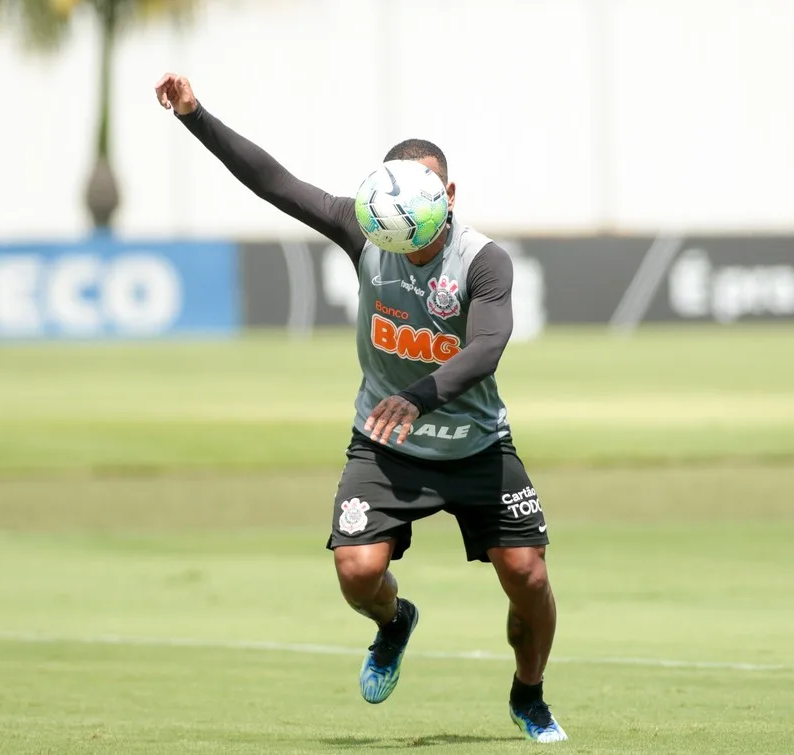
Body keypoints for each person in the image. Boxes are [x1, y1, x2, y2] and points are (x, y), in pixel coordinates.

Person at [155, 72, 568, 744]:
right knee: (357, 574)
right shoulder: (367, 231)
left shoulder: (483, 260)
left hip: (474, 443)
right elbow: (275, 183)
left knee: (527, 572)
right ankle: (393, 622)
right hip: (385, 442)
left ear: (449, 194)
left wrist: (419, 394)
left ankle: (530, 693)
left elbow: (489, 346)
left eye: (425, 191)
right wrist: (195, 115)